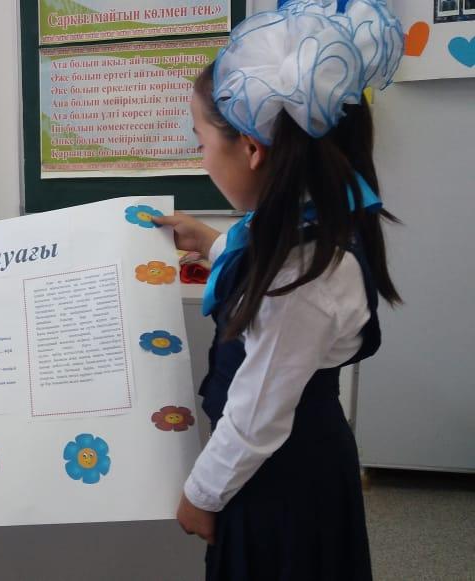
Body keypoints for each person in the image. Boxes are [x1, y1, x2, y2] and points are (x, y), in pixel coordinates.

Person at [152, 1, 404, 578]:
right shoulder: (302, 226)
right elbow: (259, 265)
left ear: (251, 148)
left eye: (200, 142)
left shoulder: (300, 277)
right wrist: (211, 242)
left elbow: (257, 412)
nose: (201, 159)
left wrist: (201, 495)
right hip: (282, 463)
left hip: (283, 480)